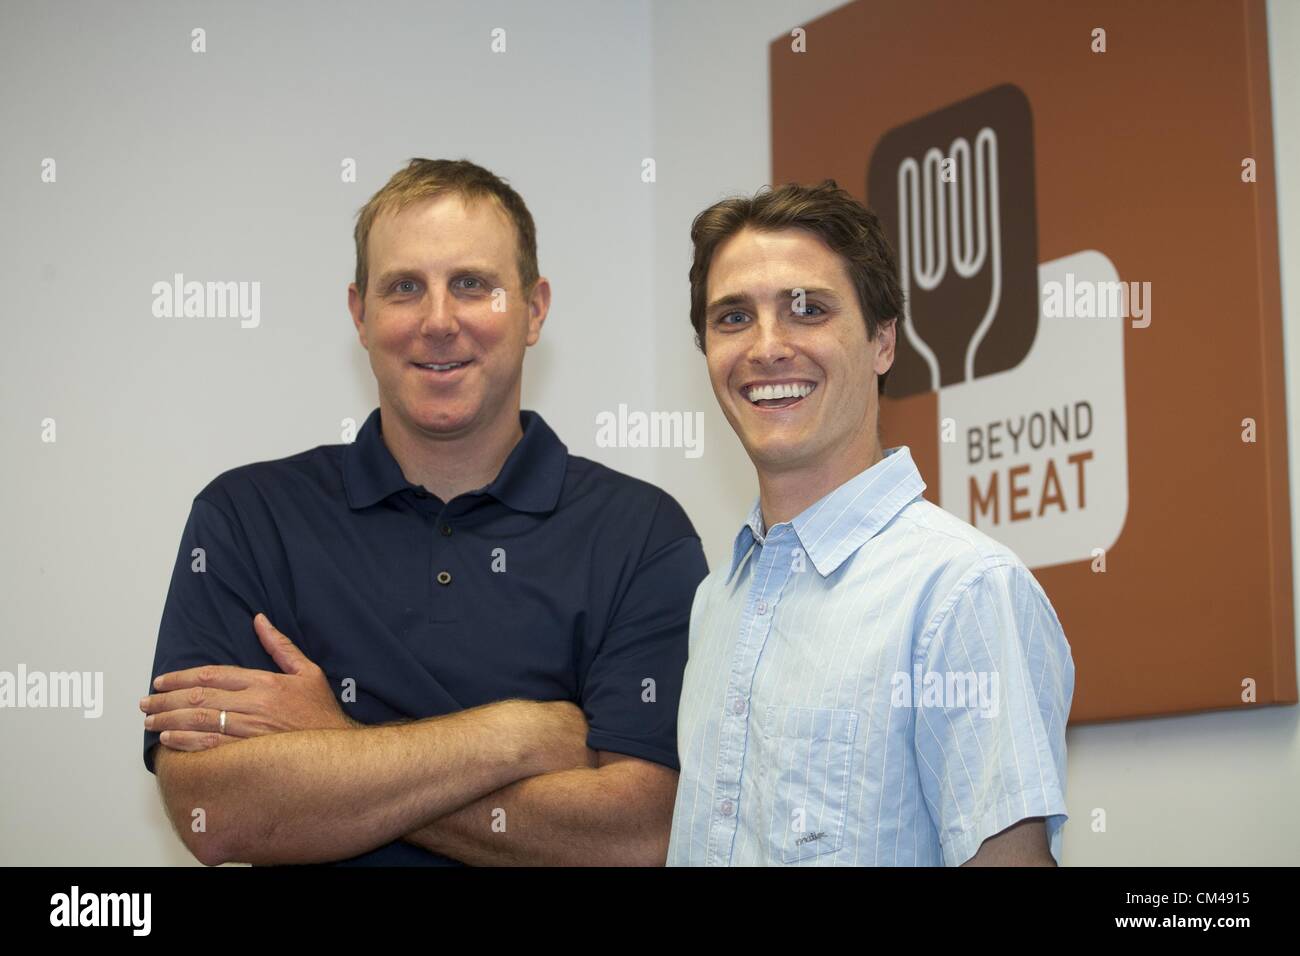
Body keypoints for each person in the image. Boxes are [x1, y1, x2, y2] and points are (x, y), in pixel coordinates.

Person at [140, 158, 708, 866]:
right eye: (405, 288)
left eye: (472, 285)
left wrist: (335, 745)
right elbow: (212, 812)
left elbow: (638, 833)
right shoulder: (246, 517)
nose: (439, 322)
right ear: (361, 314)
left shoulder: (643, 534)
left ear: (533, 310)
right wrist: (517, 737)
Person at [666, 180, 1074, 866]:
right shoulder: (716, 603)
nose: (766, 348)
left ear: (883, 342)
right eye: (732, 318)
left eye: (807, 310)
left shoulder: (963, 592)